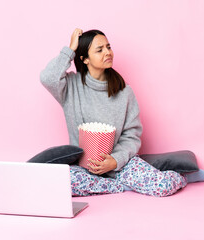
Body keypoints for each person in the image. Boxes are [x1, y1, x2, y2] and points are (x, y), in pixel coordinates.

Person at [40, 28, 187, 197]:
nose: (108, 52)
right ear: (85, 59)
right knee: (62, 184)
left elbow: (132, 135)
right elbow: (48, 78)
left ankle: (183, 176)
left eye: (108, 47)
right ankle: (119, 186)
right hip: (83, 169)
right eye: (100, 49)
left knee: (162, 187)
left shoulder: (125, 92)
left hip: (120, 165)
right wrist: (70, 50)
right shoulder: (70, 87)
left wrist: (116, 161)